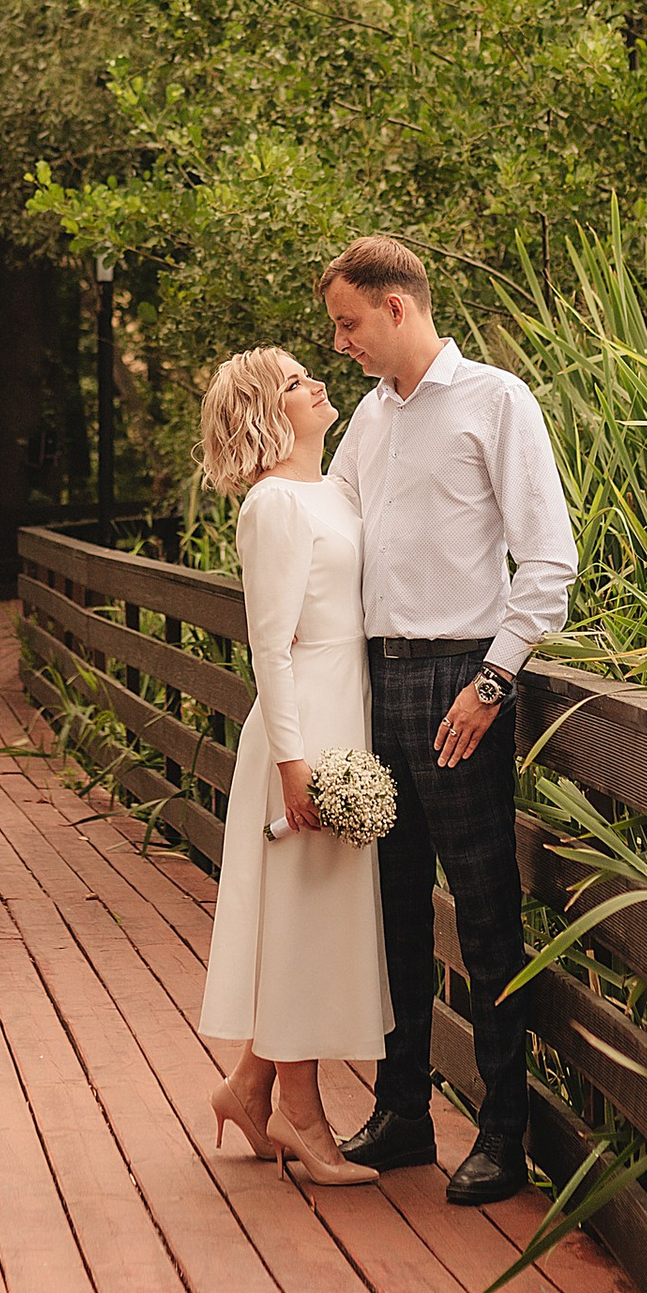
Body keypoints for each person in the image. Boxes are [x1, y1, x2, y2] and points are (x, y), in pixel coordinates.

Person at [320, 236, 578, 1205]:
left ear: (396, 307)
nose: (340, 342)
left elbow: (547, 559)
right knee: (388, 914)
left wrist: (492, 683)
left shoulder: (496, 400)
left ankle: (503, 1133)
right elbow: (329, 532)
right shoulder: (367, 419)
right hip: (375, 682)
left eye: (348, 322)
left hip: (459, 684)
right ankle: (400, 1115)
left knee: (484, 918)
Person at [194, 346, 389, 1187]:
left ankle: (248, 1089)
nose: (317, 384)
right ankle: (303, 1121)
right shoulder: (273, 505)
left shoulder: (330, 491)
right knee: (304, 921)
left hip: (349, 711)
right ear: (267, 415)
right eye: (295, 382)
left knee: (320, 915)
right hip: (304, 725)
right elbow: (268, 643)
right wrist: (293, 761)